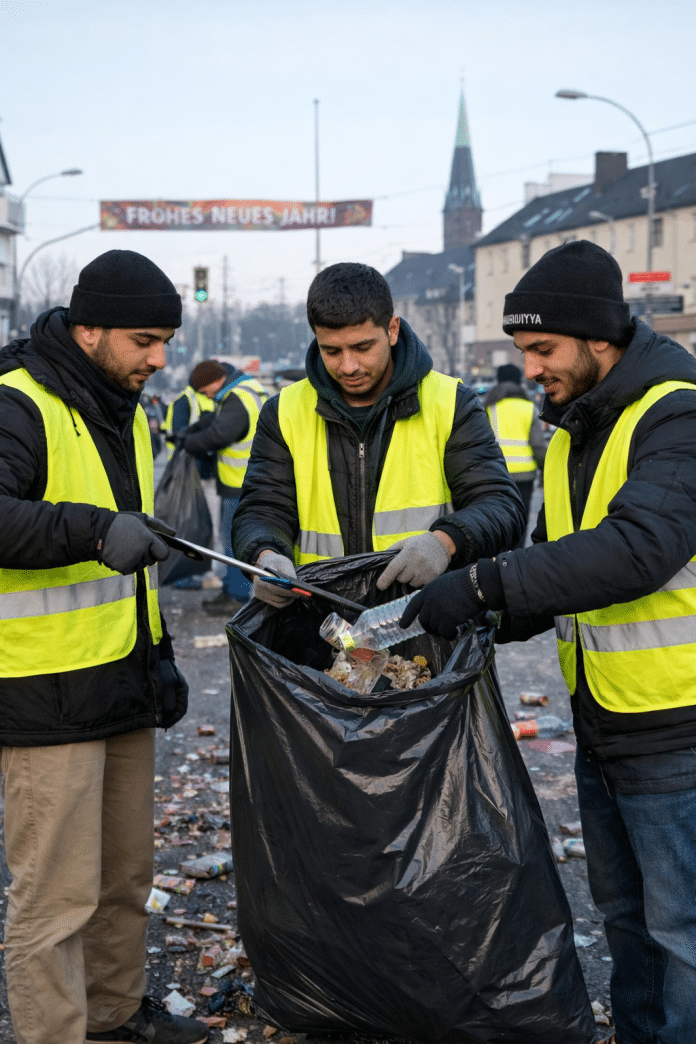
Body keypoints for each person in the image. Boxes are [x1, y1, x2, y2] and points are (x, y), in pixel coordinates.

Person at [401, 240, 696, 1044]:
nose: (529, 368)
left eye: (542, 349)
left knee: (685, 936)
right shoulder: (574, 427)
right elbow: (563, 566)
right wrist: (487, 614)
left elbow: (638, 550)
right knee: (628, 923)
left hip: (679, 726)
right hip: (608, 722)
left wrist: (483, 586)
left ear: (600, 339)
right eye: (524, 352)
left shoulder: (676, 413)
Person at [0, 249, 208, 1044]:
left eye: (165, 342)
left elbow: (132, 563)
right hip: (42, 695)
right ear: (89, 330)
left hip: (118, 682)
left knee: (124, 882)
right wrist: (92, 531)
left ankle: (117, 1019)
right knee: (54, 902)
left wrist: (157, 660)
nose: (161, 359)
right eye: (145, 340)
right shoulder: (18, 403)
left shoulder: (122, 405)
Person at [231, 262, 525, 606]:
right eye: (332, 351)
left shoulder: (451, 403)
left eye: (362, 347)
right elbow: (262, 508)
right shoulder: (283, 411)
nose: (348, 366)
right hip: (319, 625)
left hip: (428, 621)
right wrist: (263, 556)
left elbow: (501, 505)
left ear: (393, 330)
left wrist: (445, 542)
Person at [182, 360, 269, 614]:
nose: (205, 396)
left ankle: (237, 595)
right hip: (250, 479)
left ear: (214, 381)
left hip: (240, 483)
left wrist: (189, 442)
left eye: (204, 391)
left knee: (234, 541)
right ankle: (233, 589)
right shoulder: (249, 389)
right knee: (235, 540)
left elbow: (220, 435)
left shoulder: (236, 397)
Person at [483, 362, 546, 546]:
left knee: (495, 519)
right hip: (524, 476)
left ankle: (496, 560)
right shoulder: (529, 408)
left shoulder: (488, 407)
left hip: (495, 475)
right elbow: (538, 446)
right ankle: (516, 559)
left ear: (498, 382)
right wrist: (547, 471)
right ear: (519, 382)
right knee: (520, 518)